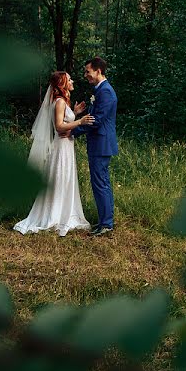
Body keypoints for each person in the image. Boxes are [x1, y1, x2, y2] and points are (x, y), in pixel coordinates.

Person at [13, 71, 95, 237]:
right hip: (61, 146)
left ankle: (64, 212)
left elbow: (65, 121)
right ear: (62, 84)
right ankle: (55, 215)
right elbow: (59, 127)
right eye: (69, 79)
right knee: (59, 178)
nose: (72, 81)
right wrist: (80, 121)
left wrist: (75, 112)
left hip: (67, 145)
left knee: (64, 178)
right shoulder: (59, 102)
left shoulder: (63, 102)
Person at [70, 56, 118, 236]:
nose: (86, 75)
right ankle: (104, 222)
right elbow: (93, 115)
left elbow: (96, 121)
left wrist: (73, 130)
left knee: (101, 183)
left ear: (98, 71)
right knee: (100, 182)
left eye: (88, 71)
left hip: (101, 143)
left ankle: (106, 224)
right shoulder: (99, 90)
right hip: (98, 143)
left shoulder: (105, 92)